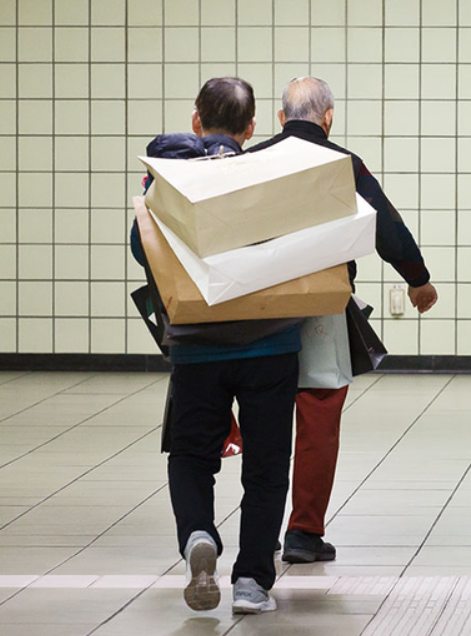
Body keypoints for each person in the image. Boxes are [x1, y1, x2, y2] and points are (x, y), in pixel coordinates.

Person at [246, 77, 438, 564]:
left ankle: (260, 529)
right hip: (321, 300)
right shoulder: (343, 164)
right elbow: (385, 225)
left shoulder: (251, 161)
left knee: (264, 416)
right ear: (328, 117)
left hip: (256, 303)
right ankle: (303, 532)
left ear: (281, 118)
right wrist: (417, 279)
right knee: (318, 411)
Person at [131, 77, 297, 614]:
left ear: (196, 120)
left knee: (190, 453)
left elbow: (141, 248)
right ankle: (251, 582)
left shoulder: (169, 177)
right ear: (252, 128)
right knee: (267, 463)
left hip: (197, 344)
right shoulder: (270, 176)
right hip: (270, 344)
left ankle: (198, 534)